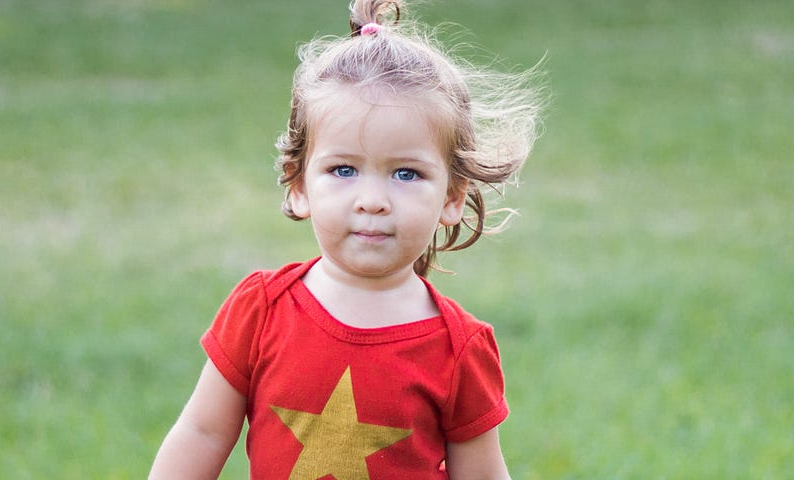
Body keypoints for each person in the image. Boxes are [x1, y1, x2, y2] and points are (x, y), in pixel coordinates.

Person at [150, 0, 542, 477]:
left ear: (451, 198)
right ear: (298, 186)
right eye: (343, 170)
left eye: (406, 173)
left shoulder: (458, 348)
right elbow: (202, 434)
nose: (372, 200)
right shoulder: (261, 310)